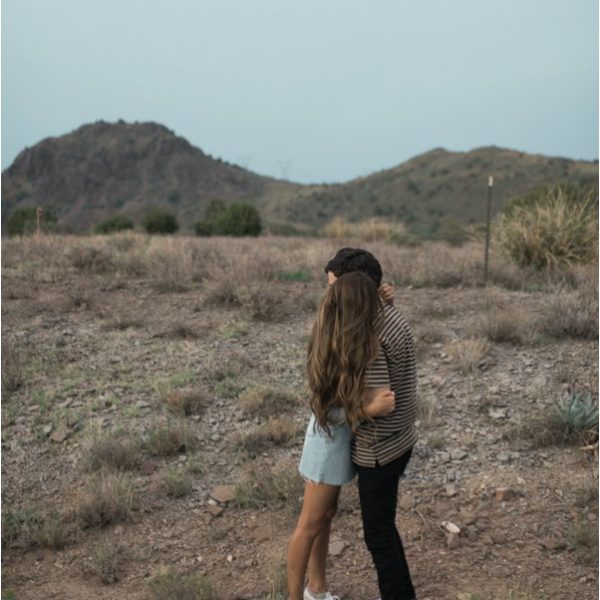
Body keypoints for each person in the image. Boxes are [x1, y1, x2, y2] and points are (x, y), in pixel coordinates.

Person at [287, 270, 396, 600]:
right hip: (327, 448)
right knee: (309, 525)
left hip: (336, 443)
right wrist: (369, 411)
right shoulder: (334, 352)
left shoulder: (334, 329)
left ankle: (316, 591)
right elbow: (331, 412)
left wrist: (383, 300)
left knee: (325, 517)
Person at [326, 248, 418, 600]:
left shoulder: (371, 335)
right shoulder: (389, 314)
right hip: (401, 439)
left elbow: (378, 403)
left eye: (334, 290)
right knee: (384, 527)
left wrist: (342, 407)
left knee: (378, 533)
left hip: (379, 447)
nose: (330, 298)